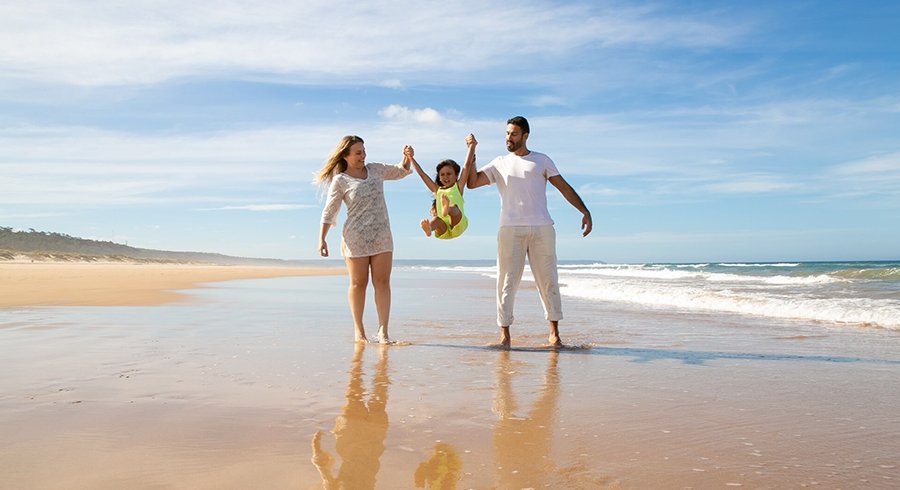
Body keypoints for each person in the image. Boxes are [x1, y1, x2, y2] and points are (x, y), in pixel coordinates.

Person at [466, 116, 592, 348]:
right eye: (506, 134)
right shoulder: (499, 163)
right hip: (510, 229)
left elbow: (563, 187)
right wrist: (472, 155)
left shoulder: (541, 160)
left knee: (548, 281)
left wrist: (584, 211)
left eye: (513, 134)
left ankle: (554, 334)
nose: (509, 138)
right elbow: (472, 183)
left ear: (525, 136)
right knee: (506, 282)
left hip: (542, 228)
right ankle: (505, 336)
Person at [316, 135, 411, 343]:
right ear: (346, 156)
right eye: (358, 153)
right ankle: (359, 332)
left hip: (381, 236)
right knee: (359, 284)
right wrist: (322, 239)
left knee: (382, 282)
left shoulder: (376, 170)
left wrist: (406, 158)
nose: (363, 156)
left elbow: (401, 171)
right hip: (355, 237)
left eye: (364, 151)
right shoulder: (341, 180)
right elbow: (329, 211)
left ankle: (383, 332)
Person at [409, 134, 477, 239]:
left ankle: (448, 209)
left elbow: (467, 165)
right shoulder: (437, 190)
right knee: (436, 220)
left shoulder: (458, 186)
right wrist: (410, 158)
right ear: (439, 178)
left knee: (455, 209)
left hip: (457, 224)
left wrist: (472, 145)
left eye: (449, 174)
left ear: (456, 176)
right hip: (443, 228)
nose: (445, 177)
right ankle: (429, 229)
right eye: (442, 174)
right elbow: (422, 174)